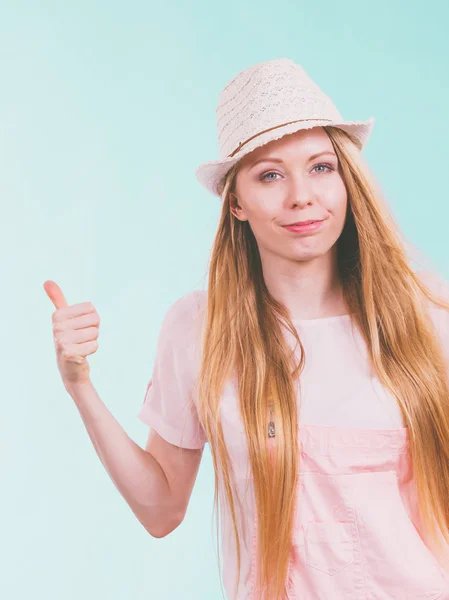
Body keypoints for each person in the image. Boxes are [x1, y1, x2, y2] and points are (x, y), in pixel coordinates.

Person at [45, 57, 449, 600]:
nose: (301, 195)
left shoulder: (427, 316)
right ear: (235, 201)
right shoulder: (199, 328)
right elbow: (161, 509)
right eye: (270, 174)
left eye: (321, 167)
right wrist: (79, 386)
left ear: (348, 181)